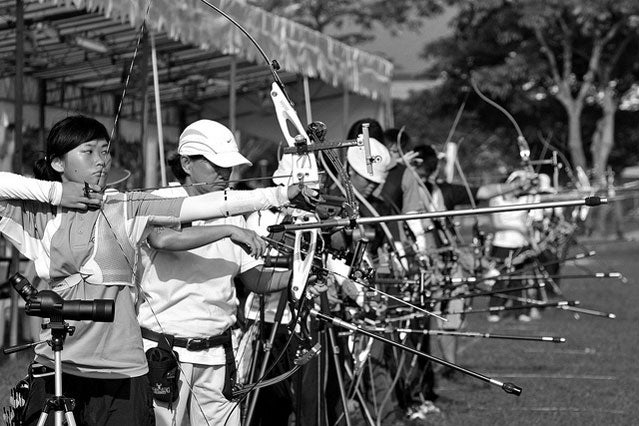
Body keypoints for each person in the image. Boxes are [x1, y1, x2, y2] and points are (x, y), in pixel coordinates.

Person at [0, 115, 305, 425]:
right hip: (60, 363)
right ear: (58, 163)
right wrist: (56, 194)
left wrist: (281, 195)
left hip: (122, 370)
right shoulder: (36, 217)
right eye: (88, 151)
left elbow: (211, 205)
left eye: (105, 151)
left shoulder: (126, 206)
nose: (102, 161)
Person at [136, 119, 309, 426]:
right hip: (164, 354)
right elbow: (164, 239)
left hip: (217, 354)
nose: (224, 175)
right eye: (216, 165)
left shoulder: (232, 214)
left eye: (229, 168)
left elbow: (257, 279)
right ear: (186, 163)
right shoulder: (162, 200)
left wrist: (300, 275)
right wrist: (227, 229)